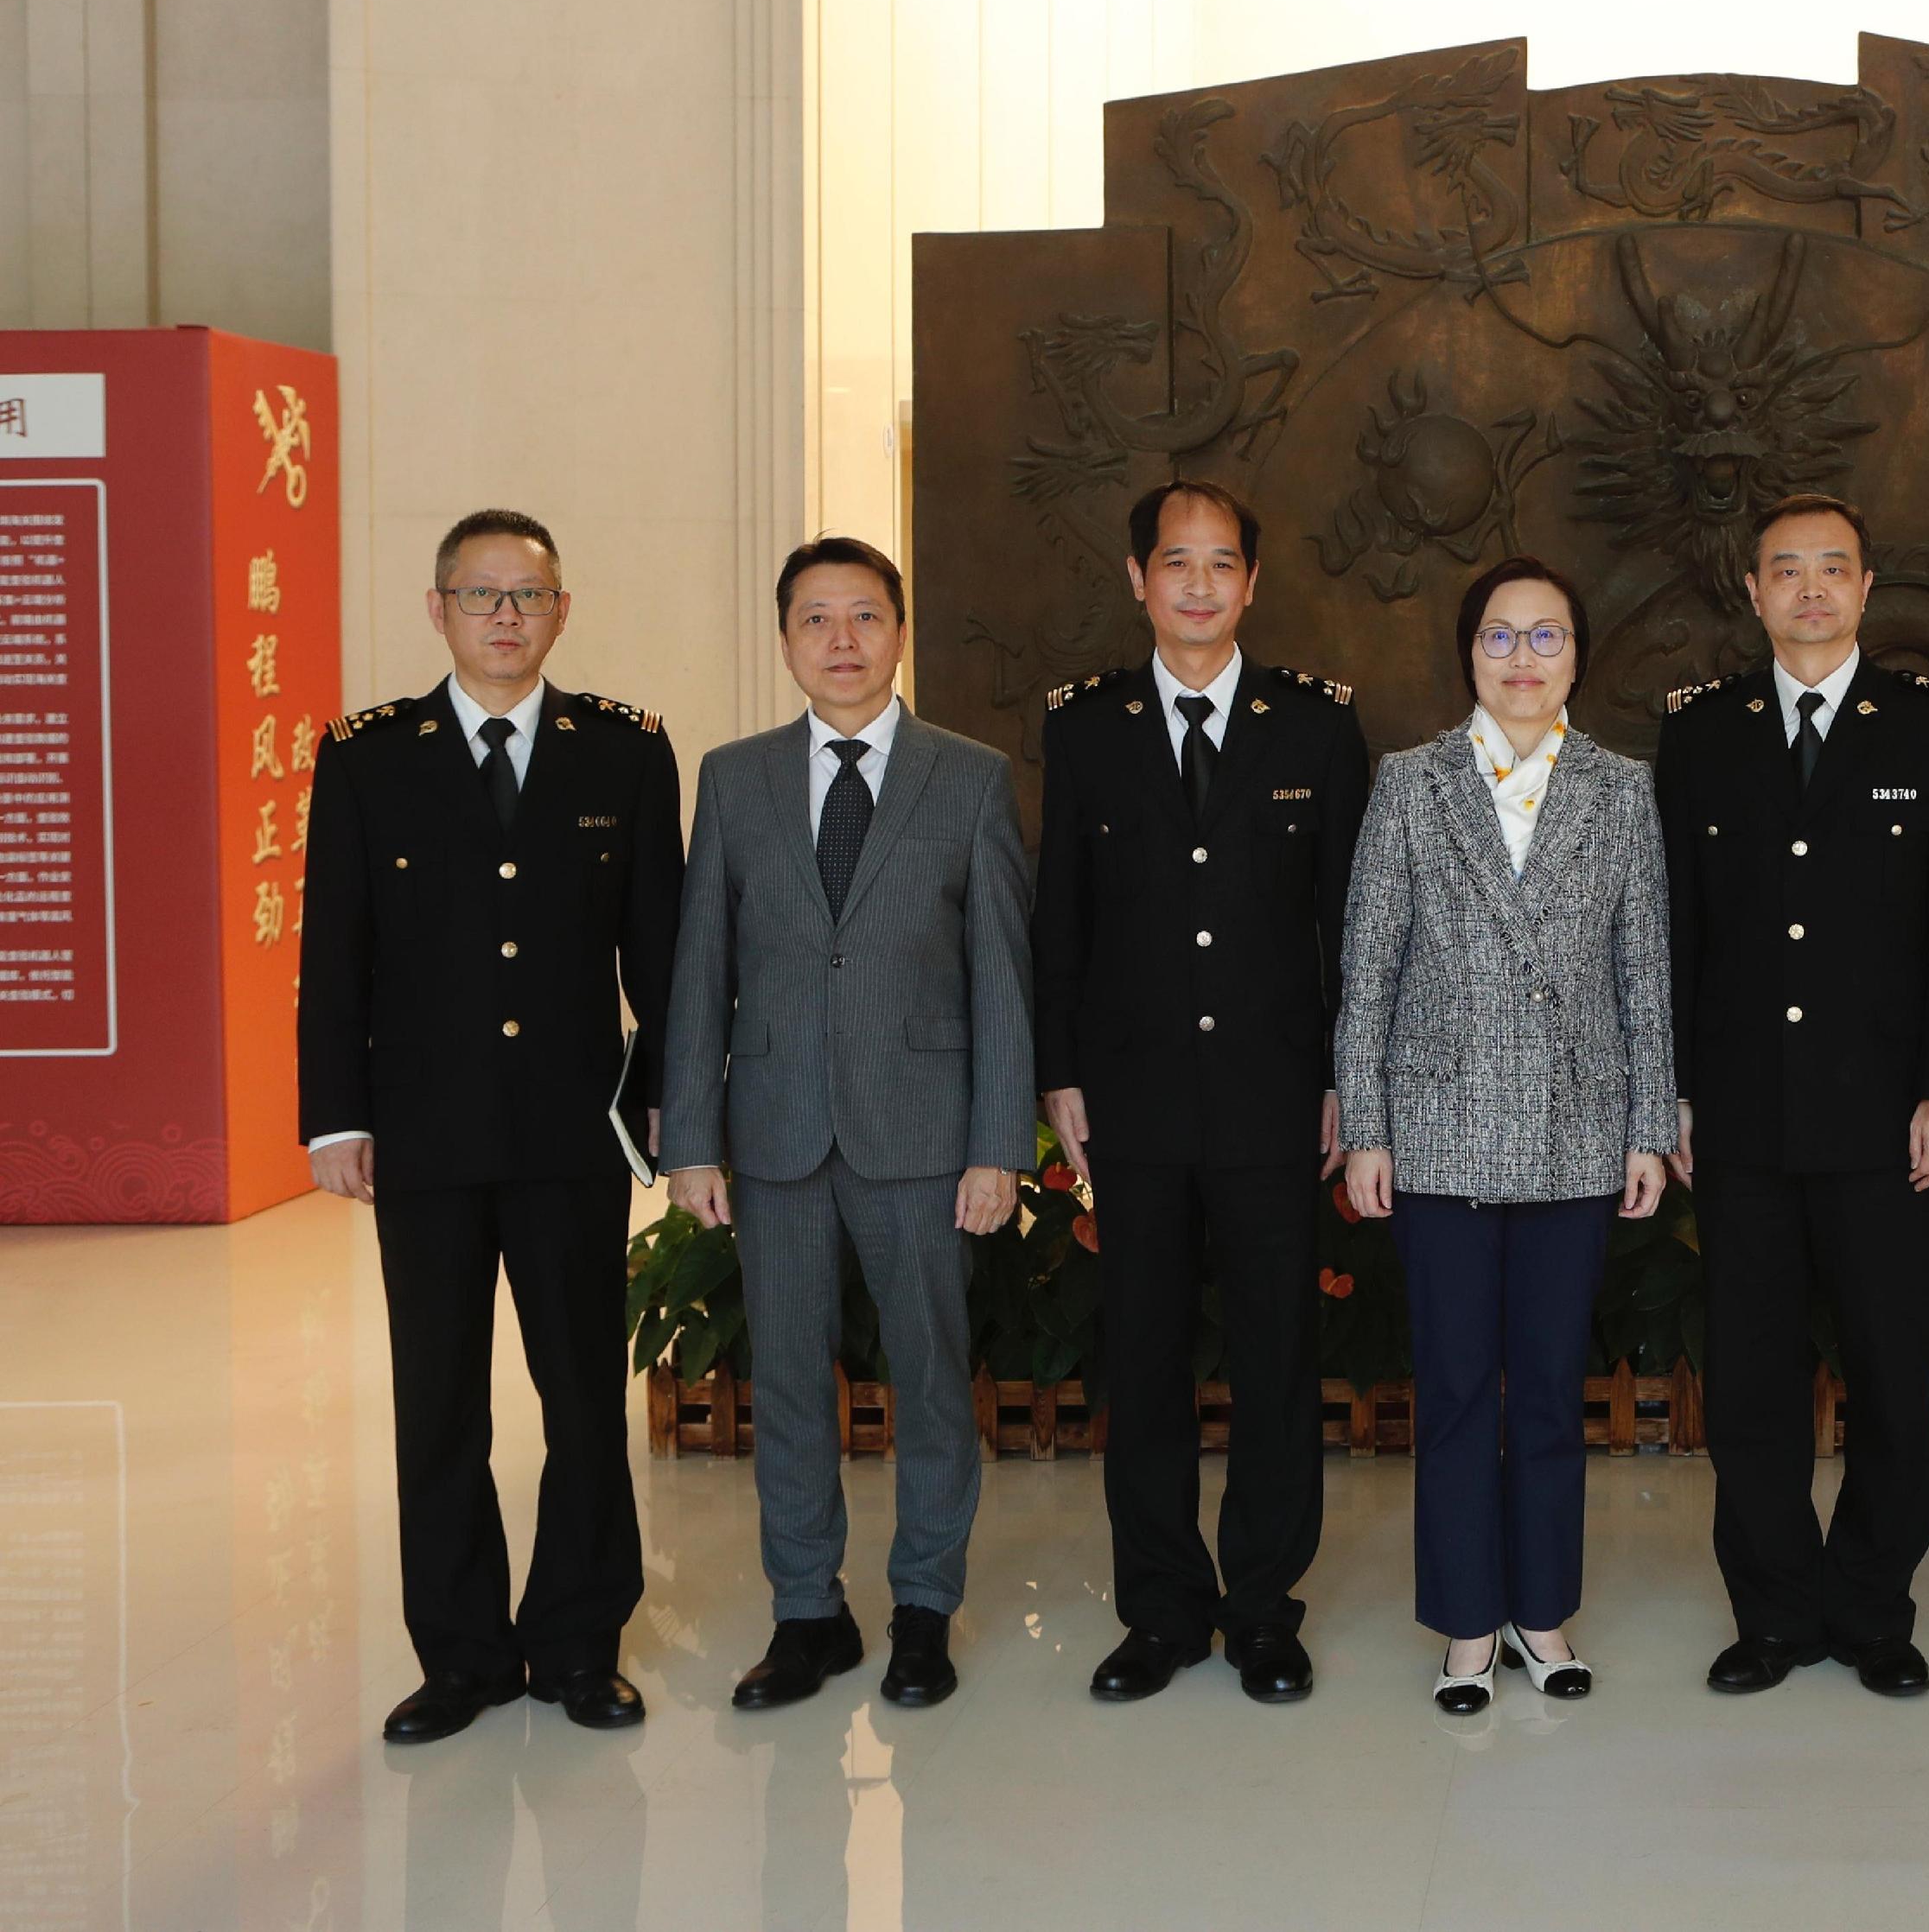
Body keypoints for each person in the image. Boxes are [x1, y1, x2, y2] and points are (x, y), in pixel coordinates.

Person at [296, 509, 680, 1744]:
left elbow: (660, 952)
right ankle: (460, 1655)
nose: (505, 616)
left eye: (529, 595)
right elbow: (333, 954)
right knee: (440, 1402)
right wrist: (333, 1117)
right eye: (481, 594)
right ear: (438, 609)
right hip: (427, 1136)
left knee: (581, 1397)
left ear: (562, 611)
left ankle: (579, 1641)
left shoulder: (623, 752)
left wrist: (672, 1099)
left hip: (572, 1135)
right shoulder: (366, 755)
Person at [658, 537, 1034, 1713]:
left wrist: (996, 1146)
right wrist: (690, 1139)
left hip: (923, 1134)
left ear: (899, 631)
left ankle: (923, 1607)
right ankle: (806, 1613)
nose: (841, 640)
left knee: (927, 1378)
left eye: (864, 615)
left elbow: (1003, 977)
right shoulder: (734, 777)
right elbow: (698, 967)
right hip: (774, 1131)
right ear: (785, 641)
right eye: (815, 618)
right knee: (789, 1384)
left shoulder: (967, 776)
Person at [1655, 493, 1929, 1700]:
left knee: (1893, 1380)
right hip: (1742, 1116)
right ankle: (1774, 1610)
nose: (1809, 588)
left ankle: (1873, 1606)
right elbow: (1678, 934)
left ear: (1866, 586)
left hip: (1884, 1119)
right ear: (1751, 591)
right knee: (1750, 1383)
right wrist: (1675, 1094)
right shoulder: (1701, 733)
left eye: (1831, 568)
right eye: (1784, 569)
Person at [1035, 480, 1369, 1707]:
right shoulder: (1085, 727)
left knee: (1278, 1359)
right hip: (1133, 1101)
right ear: (1137, 577)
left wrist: (1347, 1074)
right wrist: (1059, 1070)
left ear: (1251, 583)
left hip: (1278, 1097)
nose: (1198, 583)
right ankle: (1162, 1608)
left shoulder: (1316, 728)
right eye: (1176, 560)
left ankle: (1264, 1610)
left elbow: (1353, 924)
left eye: (1222, 562)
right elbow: (1058, 915)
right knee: (1148, 1359)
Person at [1333, 556, 1677, 1713]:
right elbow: (1368, 967)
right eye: (1499, 636)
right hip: (1440, 1127)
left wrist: (1650, 1121)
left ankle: (1544, 1608)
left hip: (1579, 1130)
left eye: (1546, 636)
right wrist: (1367, 1123)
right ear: (1467, 651)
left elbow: (1645, 968)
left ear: (1578, 654)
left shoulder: (1620, 787)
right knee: (1457, 1387)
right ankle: (1468, 1619)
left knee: (1545, 1387)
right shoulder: (1412, 781)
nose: (1522, 658)